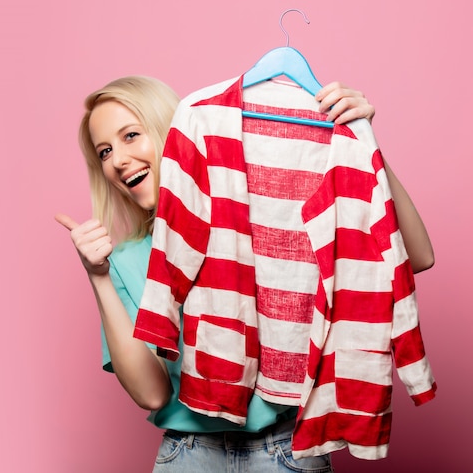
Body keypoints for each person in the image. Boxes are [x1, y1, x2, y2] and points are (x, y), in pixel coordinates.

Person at [55, 76, 434, 472]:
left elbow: (418, 256)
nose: (117, 160)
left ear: (180, 129)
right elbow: (151, 394)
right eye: (104, 151)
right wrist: (98, 276)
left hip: (286, 450)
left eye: (131, 135)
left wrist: (363, 144)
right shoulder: (125, 261)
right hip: (188, 455)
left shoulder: (264, 211)